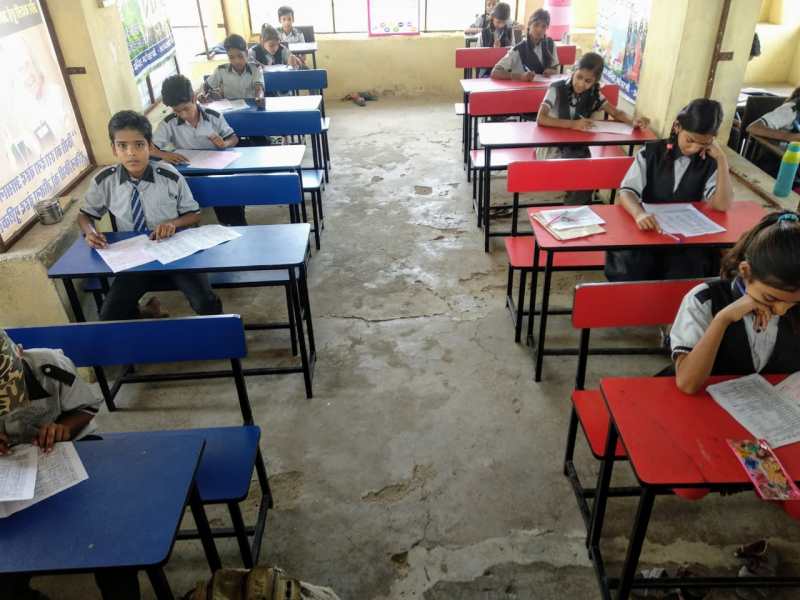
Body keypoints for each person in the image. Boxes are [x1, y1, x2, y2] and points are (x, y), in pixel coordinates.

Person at [669, 211, 800, 521]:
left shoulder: (792, 306)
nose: (781, 310)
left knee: (794, 503)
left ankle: (763, 480)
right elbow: (687, 382)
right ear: (745, 271)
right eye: (770, 298)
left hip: (771, 423)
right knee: (690, 486)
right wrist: (723, 319)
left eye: (793, 303)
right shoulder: (705, 299)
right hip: (706, 416)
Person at [0, 329, 142, 600]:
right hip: (11, 469)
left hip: (70, 451)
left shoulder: (50, 365)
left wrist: (63, 427)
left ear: (19, 352)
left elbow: (87, 407)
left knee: (109, 538)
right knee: (8, 561)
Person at [77, 110, 223, 321]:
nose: (131, 153)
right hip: (135, 254)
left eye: (139, 145)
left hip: (176, 250)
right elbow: (85, 215)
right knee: (110, 314)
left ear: (150, 146)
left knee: (205, 303)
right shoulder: (104, 181)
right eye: (122, 146)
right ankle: (147, 311)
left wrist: (173, 224)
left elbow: (194, 214)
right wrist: (90, 232)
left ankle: (219, 329)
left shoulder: (169, 176)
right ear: (114, 149)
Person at [605, 99, 732, 280]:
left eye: (703, 144)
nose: (694, 148)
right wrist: (639, 214)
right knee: (635, 265)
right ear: (677, 127)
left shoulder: (710, 162)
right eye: (690, 140)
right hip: (649, 230)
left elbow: (722, 205)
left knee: (690, 268)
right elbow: (627, 192)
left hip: (686, 238)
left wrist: (722, 160)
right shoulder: (651, 153)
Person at [536, 52, 648, 203]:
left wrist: (633, 121)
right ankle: (576, 209)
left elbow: (616, 112)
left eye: (588, 81)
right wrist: (573, 124)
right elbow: (541, 118)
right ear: (574, 70)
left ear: (595, 81)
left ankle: (576, 208)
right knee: (579, 174)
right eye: (579, 77)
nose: (581, 84)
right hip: (551, 147)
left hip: (577, 148)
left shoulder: (594, 94)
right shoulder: (556, 88)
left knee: (588, 173)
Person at [151, 74, 245, 226]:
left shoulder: (213, 116)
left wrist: (224, 144)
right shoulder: (169, 123)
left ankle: (231, 222)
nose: (183, 114)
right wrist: (164, 154)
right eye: (177, 111)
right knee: (178, 199)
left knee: (228, 196)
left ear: (194, 98)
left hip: (217, 169)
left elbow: (233, 138)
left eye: (186, 109)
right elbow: (150, 149)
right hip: (188, 173)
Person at [491, 9, 559, 80]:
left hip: (545, 86)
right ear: (529, 25)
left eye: (543, 26)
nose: (539, 29)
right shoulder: (518, 49)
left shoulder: (550, 44)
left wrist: (551, 71)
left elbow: (555, 69)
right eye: (536, 25)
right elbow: (494, 72)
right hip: (523, 87)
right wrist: (520, 76)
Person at [202, 34, 265, 101]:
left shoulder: (256, 69)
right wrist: (202, 94)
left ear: (246, 53)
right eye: (231, 57)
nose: (237, 61)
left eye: (240, 56)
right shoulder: (221, 70)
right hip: (229, 107)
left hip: (251, 106)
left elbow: (259, 89)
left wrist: (259, 97)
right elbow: (205, 86)